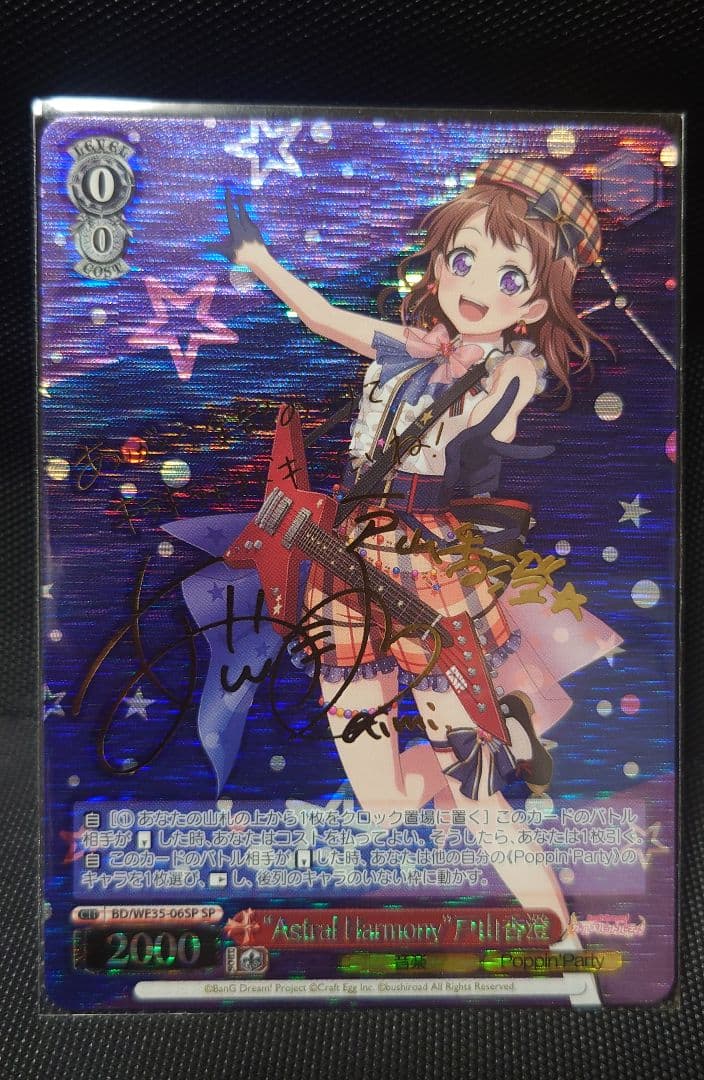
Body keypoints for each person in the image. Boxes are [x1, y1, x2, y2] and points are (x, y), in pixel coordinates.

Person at [214, 158, 622, 925]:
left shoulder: (506, 369)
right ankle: (467, 771)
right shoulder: (403, 344)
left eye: (510, 277)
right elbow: (320, 315)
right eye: (464, 259)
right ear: (437, 264)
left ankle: (561, 936)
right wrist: (257, 257)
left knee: (478, 797)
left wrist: (504, 377)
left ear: (536, 302)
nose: (478, 287)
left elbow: (501, 410)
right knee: (385, 803)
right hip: (344, 563)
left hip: (426, 567)